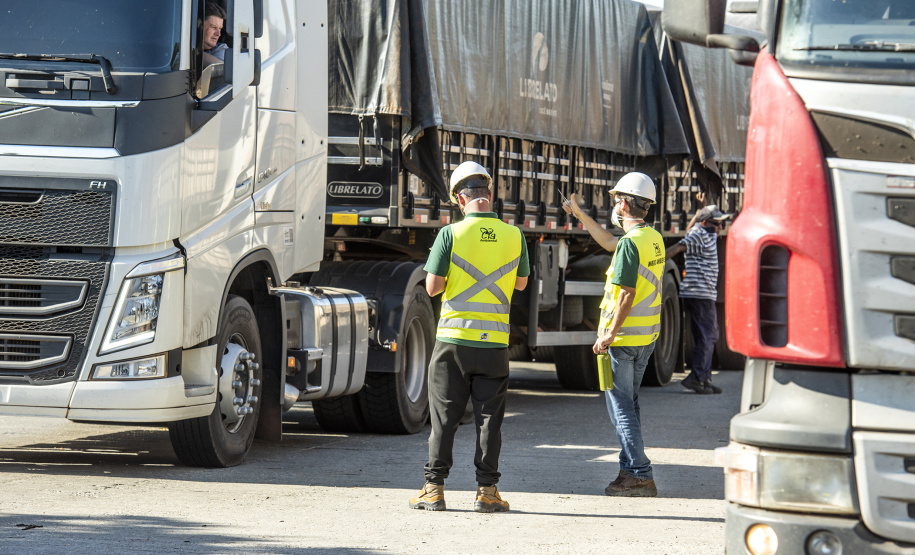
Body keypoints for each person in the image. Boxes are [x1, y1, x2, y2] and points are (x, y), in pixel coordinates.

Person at [409, 161, 529, 513]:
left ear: (461, 199)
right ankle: (487, 492)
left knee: (444, 417)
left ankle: (434, 489)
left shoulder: (451, 234)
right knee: (489, 419)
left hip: (453, 343)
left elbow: (432, 288)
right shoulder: (514, 235)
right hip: (494, 345)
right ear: (489, 196)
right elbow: (520, 284)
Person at [562, 172, 665, 497]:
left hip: (622, 342)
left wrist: (608, 334)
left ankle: (641, 474)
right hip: (645, 339)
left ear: (623, 203)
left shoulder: (630, 246)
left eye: (616, 200)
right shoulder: (653, 238)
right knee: (630, 404)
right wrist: (579, 214)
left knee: (619, 406)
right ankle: (628, 471)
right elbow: (608, 241)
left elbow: (626, 294)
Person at [665, 205, 732, 394]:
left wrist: (696, 214)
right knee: (709, 336)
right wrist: (657, 261)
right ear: (705, 223)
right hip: (699, 294)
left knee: (706, 336)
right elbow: (679, 246)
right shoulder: (700, 235)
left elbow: (689, 231)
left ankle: (704, 378)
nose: (720, 227)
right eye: (716, 223)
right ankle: (697, 378)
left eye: (721, 223)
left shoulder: (704, 231)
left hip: (702, 294)